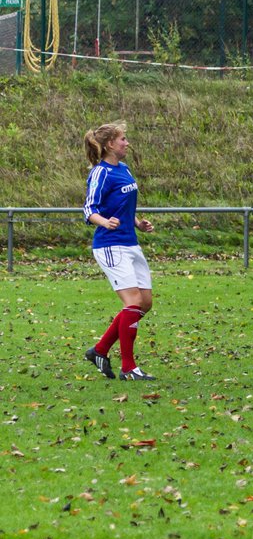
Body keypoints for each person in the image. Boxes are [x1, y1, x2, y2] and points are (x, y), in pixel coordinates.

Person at [82, 122, 157, 381]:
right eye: (123, 139)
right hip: (110, 246)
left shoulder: (124, 169)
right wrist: (105, 222)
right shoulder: (100, 173)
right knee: (133, 302)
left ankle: (100, 350)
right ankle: (129, 368)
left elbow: (123, 204)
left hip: (130, 242)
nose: (127, 143)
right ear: (110, 145)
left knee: (144, 303)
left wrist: (137, 222)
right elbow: (89, 209)